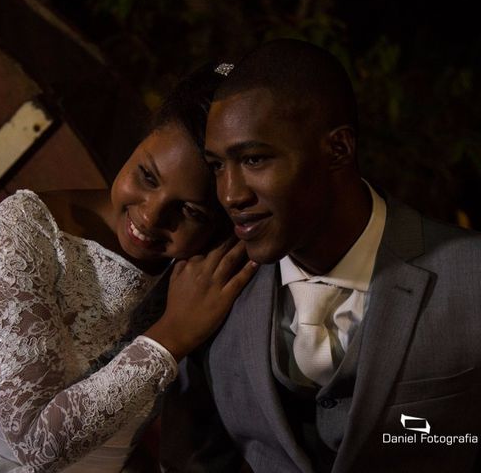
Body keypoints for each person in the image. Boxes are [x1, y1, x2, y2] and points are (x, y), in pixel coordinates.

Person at [0, 65, 257, 472]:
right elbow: (37, 445)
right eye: (146, 176)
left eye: (190, 210)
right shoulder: (27, 227)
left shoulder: (208, 272)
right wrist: (173, 335)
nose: (150, 217)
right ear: (139, 141)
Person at [160, 39, 481, 473]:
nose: (231, 194)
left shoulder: (471, 275)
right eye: (218, 165)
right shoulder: (207, 291)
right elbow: (193, 457)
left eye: (254, 159)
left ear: (338, 150)